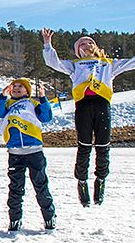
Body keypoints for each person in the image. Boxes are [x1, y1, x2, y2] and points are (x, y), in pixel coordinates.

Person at [42, 29, 135, 206]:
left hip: (102, 105)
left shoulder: (108, 64)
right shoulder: (75, 65)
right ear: (77, 51)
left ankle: (100, 180)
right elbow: (53, 62)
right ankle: (82, 181)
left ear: (96, 46)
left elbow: (130, 63)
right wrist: (48, 44)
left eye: (90, 42)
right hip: (83, 106)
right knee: (84, 146)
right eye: (82, 44)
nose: (87, 45)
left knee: (103, 145)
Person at [0, 78, 56, 231]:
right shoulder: (8, 105)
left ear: (27, 91)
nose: (16, 88)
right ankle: (15, 219)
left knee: (41, 186)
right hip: (15, 153)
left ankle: (49, 217)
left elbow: (46, 117)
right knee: (16, 188)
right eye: (14, 86)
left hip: (34, 151)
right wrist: (2, 96)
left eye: (20, 86)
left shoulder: (32, 104)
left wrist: (42, 97)